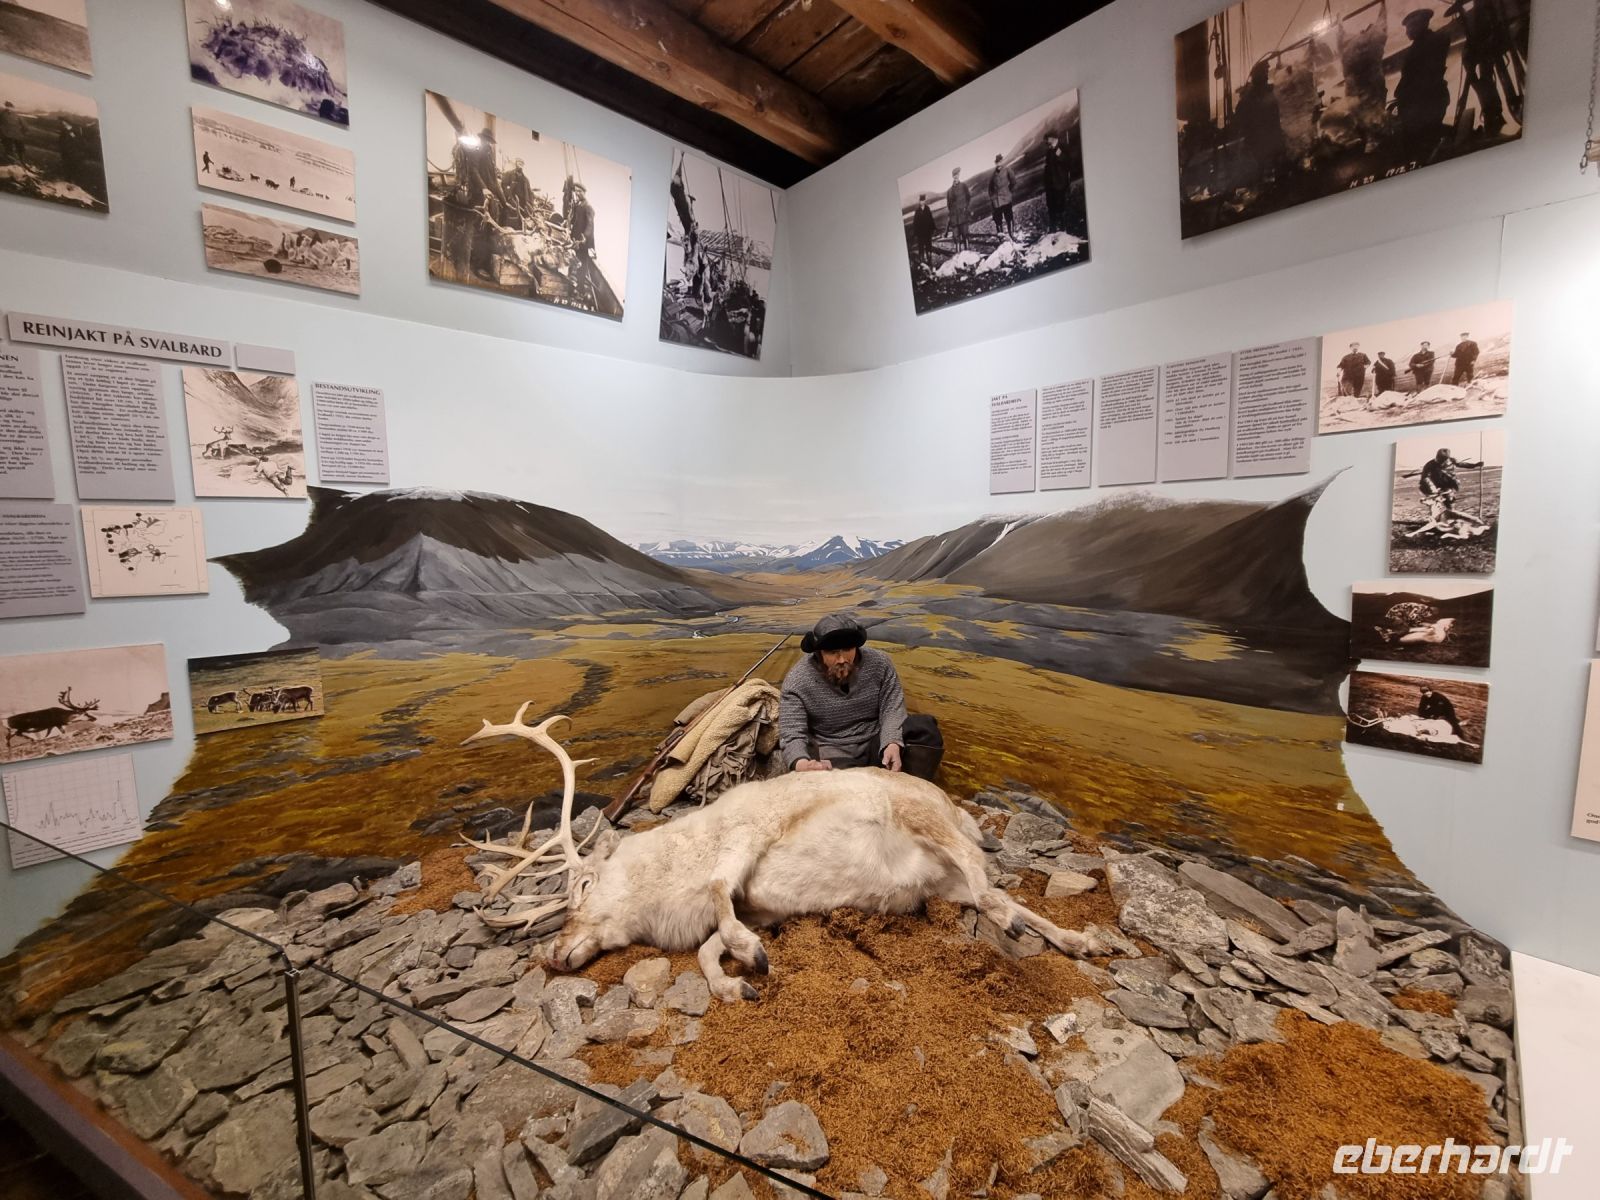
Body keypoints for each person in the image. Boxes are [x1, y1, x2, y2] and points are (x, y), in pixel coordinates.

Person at [779, 613, 941, 780]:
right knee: (845, 780)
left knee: (925, 728)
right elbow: (792, 732)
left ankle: (913, 790)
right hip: (833, 750)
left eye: (848, 650)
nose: (842, 659)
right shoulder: (798, 680)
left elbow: (892, 708)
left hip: (876, 741)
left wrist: (892, 742)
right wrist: (801, 763)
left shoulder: (880, 664)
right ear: (819, 652)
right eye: (833, 652)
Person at [1392, 9, 1451, 163]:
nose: (1407, 32)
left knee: (1411, 144)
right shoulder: (1433, 41)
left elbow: (1417, 79)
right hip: (1431, 99)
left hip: (1424, 104)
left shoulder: (1424, 46)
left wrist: (1401, 96)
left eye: (1409, 28)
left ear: (1420, 25)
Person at [1234, 60, 1287, 185]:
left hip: (1266, 141)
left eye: (1266, 72)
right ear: (1258, 76)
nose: (1266, 75)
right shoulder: (1253, 97)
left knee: (1270, 171)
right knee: (1270, 171)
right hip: (1263, 143)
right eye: (1265, 72)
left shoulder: (1251, 97)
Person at [1041, 130, 1072, 233]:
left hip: (1060, 183)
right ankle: (1053, 229)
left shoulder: (1062, 147)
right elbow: (1047, 167)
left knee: (1061, 207)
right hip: (1050, 185)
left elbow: (1068, 162)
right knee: (1051, 207)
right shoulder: (1049, 152)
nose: (1047, 143)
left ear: (1054, 139)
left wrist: (1058, 153)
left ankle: (1063, 228)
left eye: (1048, 141)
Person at [988, 154, 1016, 240]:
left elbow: (1013, 182)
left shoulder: (1008, 170)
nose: (998, 164)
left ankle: (1011, 235)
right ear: (995, 163)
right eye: (997, 162)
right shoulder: (993, 175)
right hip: (997, 201)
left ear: (1002, 161)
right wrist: (992, 198)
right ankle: (1002, 238)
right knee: (998, 219)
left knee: (1009, 217)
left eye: (1000, 162)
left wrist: (1008, 192)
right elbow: (990, 188)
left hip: (1006, 198)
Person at [501, 157, 533, 230]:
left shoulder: (526, 179)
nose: (520, 165)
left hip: (522, 203)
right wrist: (508, 196)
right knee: (510, 220)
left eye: (522, 163)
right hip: (511, 201)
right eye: (519, 163)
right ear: (516, 163)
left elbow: (529, 192)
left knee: (521, 221)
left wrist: (530, 204)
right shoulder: (508, 174)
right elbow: (504, 185)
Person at [945, 167, 971, 252]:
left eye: (957, 174)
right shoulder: (949, 191)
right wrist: (953, 213)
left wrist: (965, 208)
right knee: (956, 239)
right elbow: (949, 205)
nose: (956, 177)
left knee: (965, 236)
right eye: (954, 175)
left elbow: (968, 198)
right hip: (954, 220)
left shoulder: (964, 186)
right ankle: (958, 259)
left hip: (963, 216)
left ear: (959, 175)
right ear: (952, 177)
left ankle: (968, 258)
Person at [911, 193, 936, 266]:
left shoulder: (928, 209)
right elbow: (915, 223)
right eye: (921, 201)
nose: (922, 202)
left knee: (928, 246)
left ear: (925, 201)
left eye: (923, 200)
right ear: (919, 202)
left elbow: (931, 219)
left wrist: (933, 228)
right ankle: (922, 262)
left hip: (927, 232)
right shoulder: (917, 211)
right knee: (921, 247)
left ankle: (929, 260)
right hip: (920, 233)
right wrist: (916, 233)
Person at [0, 101, 26, 166]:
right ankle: (22, 163)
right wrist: (21, 133)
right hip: (18, 136)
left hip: (6, 135)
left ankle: (10, 163)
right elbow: (25, 127)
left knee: (9, 150)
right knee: (20, 150)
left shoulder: (2, 113)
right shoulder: (18, 115)